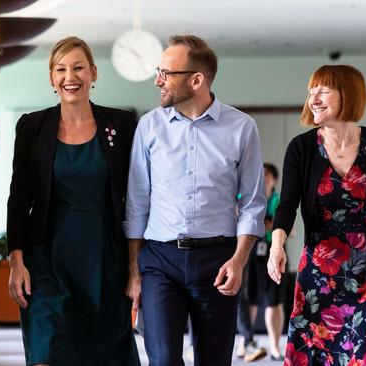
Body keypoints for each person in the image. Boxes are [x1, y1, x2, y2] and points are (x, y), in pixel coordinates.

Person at [267, 64, 366, 366]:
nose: (313, 98)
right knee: (321, 353)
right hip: (320, 271)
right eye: (310, 91)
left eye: (323, 90)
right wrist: (277, 247)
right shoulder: (302, 148)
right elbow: (286, 205)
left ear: (348, 94)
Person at [125, 34, 266, 365]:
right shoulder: (149, 126)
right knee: (162, 360)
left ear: (197, 79)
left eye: (165, 73)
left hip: (218, 260)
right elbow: (136, 202)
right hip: (160, 261)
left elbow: (253, 204)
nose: (158, 81)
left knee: (214, 360)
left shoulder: (242, 128)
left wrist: (239, 260)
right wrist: (134, 270)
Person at [6, 36, 140, 366]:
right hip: (46, 260)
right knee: (47, 349)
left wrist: (135, 269)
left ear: (94, 73)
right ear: (52, 77)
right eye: (62, 69)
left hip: (104, 259)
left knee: (104, 353)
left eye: (79, 67)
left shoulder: (121, 125)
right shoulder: (32, 126)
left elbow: (136, 198)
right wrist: (16, 261)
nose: (71, 77)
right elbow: (19, 199)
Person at [245, 163, 286, 362]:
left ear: (274, 179)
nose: (264, 177)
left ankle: (275, 347)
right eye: (260, 174)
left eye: (268, 174)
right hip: (252, 252)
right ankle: (246, 343)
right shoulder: (249, 196)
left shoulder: (280, 200)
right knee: (249, 298)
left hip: (274, 251)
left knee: (274, 300)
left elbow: (290, 229)